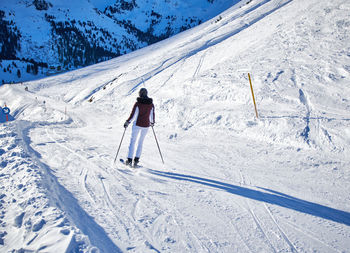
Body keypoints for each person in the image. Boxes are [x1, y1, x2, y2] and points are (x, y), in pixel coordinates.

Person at [124, 88, 155, 167]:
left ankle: (129, 160)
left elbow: (133, 115)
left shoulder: (138, 103)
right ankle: (136, 160)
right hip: (146, 126)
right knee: (140, 142)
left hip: (137, 125)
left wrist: (127, 122)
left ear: (140, 94)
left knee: (133, 141)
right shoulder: (151, 104)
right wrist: (152, 122)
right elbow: (152, 114)